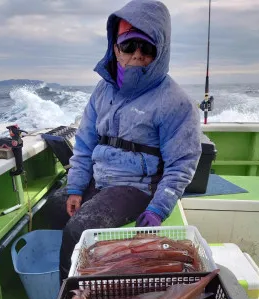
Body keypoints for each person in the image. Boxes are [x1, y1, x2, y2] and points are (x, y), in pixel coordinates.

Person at [47, 0, 202, 282]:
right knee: (54, 208)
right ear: (115, 47)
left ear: (161, 51)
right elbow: (84, 145)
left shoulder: (176, 103)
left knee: (77, 228)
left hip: (137, 186)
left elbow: (182, 165)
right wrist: (75, 187)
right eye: (129, 46)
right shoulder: (102, 90)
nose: (137, 55)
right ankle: (95, 268)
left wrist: (157, 209)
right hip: (100, 177)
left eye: (147, 48)